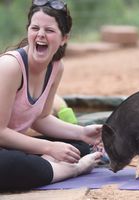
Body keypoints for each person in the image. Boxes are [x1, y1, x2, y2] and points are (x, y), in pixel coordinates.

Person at [0, 0, 104, 191]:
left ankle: (47, 165)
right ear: (28, 31)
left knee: (78, 146)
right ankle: (73, 169)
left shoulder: (56, 67)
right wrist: (49, 148)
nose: (40, 34)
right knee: (10, 164)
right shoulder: (10, 66)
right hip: (4, 150)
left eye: (49, 30)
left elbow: (41, 119)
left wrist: (81, 132)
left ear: (64, 38)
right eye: (35, 28)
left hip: (10, 147)